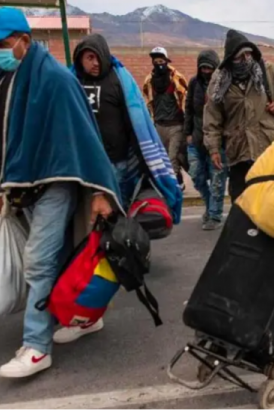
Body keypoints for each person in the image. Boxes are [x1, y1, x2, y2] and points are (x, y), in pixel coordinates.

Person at [0, 7, 124, 378]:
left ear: (24, 41)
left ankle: (37, 346)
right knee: (59, 259)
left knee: (38, 261)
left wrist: (100, 192)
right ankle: (84, 316)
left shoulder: (56, 80)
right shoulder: (3, 81)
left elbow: (85, 138)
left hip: (55, 185)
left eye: (2, 43)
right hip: (21, 189)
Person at [55, 34, 183, 343]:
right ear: (79, 58)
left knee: (104, 243)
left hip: (118, 172)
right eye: (87, 57)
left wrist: (150, 170)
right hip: (80, 173)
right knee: (83, 242)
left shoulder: (120, 81)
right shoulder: (70, 82)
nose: (94, 62)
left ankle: (88, 313)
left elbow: (138, 125)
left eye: (97, 56)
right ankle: (80, 305)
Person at [203, 30, 274, 201]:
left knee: (270, 200)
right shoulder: (219, 80)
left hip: (268, 146)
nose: (246, 59)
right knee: (241, 201)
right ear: (231, 58)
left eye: (248, 54)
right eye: (241, 56)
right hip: (239, 150)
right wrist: (214, 149)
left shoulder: (267, 70)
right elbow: (212, 118)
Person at [184, 50, 227, 230]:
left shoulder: (224, 83)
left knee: (217, 179)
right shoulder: (194, 83)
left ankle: (215, 215)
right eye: (203, 68)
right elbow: (188, 108)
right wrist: (188, 133)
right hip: (196, 137)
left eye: (209, 68)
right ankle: (209, 205)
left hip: (218, 140)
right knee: (195, 174)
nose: (206, 71)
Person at [142, 47, 190, 190]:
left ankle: (174, 187)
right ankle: (178, 181)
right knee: (163, 159)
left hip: (176, 125)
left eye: (161, 61)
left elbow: (185, 98)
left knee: (172, 157)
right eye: (156, 62)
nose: (159, 64)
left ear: (166, 61)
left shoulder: (176, 78)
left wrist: (186, 123)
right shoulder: (149, 81)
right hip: (159, 125)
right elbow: (147, 102)